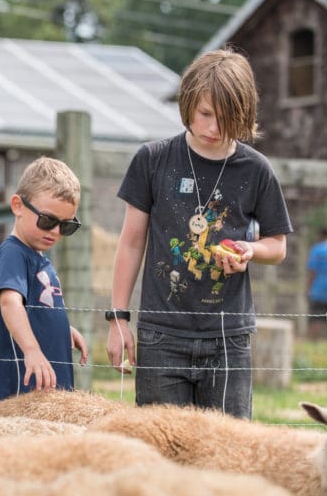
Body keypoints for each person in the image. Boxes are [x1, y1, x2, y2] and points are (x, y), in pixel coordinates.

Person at [106, 48, 292, 419]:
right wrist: (118, 319)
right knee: (163, 457)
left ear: (244, 115)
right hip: (161, 336)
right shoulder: (153, 159)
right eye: (205, 114)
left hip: (229, 339)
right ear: (188, 102)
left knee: (227, 459)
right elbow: (130, 243)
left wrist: (251, 251)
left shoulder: (256, 169)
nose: (212, 128)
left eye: (226, 119)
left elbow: (278, 246)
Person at [0, 156, 88, 409]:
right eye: (47, 220)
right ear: (18, 205)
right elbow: (10, 303)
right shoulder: (13, 253)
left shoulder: (39, 257)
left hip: (45, 391)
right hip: (21, 391)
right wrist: (31, 350)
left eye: (66, 226)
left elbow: (36, 309)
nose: (55, 231)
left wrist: (62, 329)